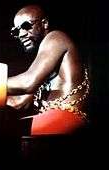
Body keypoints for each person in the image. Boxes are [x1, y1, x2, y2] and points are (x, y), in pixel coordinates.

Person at [6, 4, 90, 135]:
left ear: (44, 23)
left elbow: (27, 83)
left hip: (65, 118)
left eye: (26, 26)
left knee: (0, 130)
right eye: (16, 31)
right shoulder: (45, 59)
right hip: (54, 119)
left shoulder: (56, 38)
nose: (21, 34)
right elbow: (19, 102)